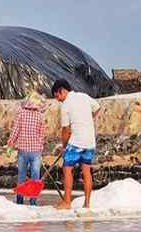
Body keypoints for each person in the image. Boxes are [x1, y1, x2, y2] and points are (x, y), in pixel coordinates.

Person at [51, 79, 100, 209]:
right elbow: (97, 107)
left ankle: (67, 202)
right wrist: (87, 119)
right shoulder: (84, 96)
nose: (58, 100)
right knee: (87, 171)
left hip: (76, 142)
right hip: (90, 142)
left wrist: (65, 147)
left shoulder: (66, 105)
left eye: (57, 96)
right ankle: (87, 204)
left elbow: (65, 130)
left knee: (67, 169)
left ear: (62, 91)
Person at [7, 91, 47, 206]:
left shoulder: (21, 114)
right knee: (35, 177)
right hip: (35, 152)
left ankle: (19, 201)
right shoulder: (40, 116)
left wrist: (10, 144)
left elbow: (15, 131)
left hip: (23, 151)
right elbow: (42, 134)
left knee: (21, 176)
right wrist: (40, 146)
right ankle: (33, 202)